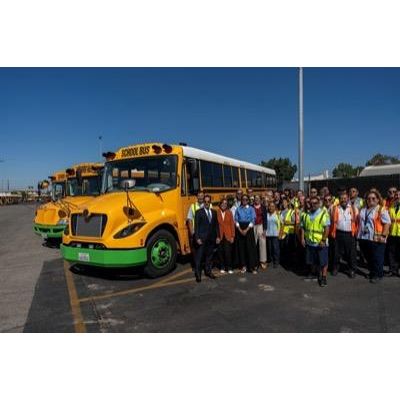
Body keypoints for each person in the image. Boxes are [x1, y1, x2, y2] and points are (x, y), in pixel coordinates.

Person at [357, 189, 391, 283]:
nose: (370, 200)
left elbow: (387, 223)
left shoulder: (381, 209)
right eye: (368, 198)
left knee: (377, 257)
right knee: (368, 257)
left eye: (373, 198)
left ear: (377, 199)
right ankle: (372, 272)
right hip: (364, 237)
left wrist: (383, 235)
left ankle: (378, 274)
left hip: (377, 238)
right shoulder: (363, 209)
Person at [300, 196, 331, 287]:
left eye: (315, 203)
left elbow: (327, 228)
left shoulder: (323, 214)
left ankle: (323, 277)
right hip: (310, 242)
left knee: (323, 261)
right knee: (312, 260)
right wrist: (302, 238)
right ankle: (314, 274)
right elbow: (303, 228)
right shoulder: (306, 214)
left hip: (320, 242)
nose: (313, 205)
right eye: (311, 203)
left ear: (319, 204)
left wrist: (323, 240)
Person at [330, 192, 358, 278]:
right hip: (338, 233)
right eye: (341, 198)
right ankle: (335, 268)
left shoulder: (353, 208)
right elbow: (331, 220)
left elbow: (357, 220)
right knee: (336, 253)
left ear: (348, 199)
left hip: (350, 234)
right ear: (339, 199)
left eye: (345, 198)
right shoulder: (335, 208)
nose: (343, 200)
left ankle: (352, 269)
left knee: (351, 253)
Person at [193, 194, 219, 282]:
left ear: (210, 202)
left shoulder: (214, 212)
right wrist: (197, 238)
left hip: (211, 239)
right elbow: (196, 227)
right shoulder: (198, 212)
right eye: (205, 201)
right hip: (202, 239)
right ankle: (198, 274)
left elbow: (216, 226)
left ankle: (208, 271)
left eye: (208, 201)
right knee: (199, 257)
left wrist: (218, 236)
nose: (207, 203)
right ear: (203, 202)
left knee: (209, 257)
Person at [234, 194, 257, 274]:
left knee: (250, 248)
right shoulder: (238, 209)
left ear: (248, 201)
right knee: (242, 248)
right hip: (240, 228)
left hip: (249, 229)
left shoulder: (251, 209)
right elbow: (236, 220)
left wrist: (246, 230)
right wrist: (240, 230)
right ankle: (243, 266)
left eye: (246, 199)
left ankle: (251, 267)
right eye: (243, 199)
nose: (244, 201)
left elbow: (253, 220)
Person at [216, 198, 235, 274]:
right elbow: (215, 226)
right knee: (220, 252)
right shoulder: (216, 212)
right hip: (219, 235)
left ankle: (229, 267)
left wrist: (232, 236)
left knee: (228, 252)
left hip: (228, 235)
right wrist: (216, 236)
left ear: (227, 205)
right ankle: (222, 267)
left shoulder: (229, 212)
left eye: (225, 203)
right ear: (220, 204)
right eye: (222, 203)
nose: (224, 205)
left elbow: (232, 224)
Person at [279, 197, 296, 269]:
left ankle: (290, 263)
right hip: (282, 232)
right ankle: (285, 262)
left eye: (285, 202)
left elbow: (294, 222)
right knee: (284, 248)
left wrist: (287, 222)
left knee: (289, 249)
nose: (284, 204)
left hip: (289, 233)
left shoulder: (291, 211)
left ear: (288, 203)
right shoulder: (280, 212)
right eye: (283, 203)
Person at [387, 189, 400, 277]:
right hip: (392, 233)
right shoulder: (391, 207)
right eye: (396, 195)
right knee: (391, 253)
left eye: (399, 195)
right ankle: (392, 270)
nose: (397, 196)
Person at [253, 194, 268, 269]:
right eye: (255, 198)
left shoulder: (263, 207)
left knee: (262, 243)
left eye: (258, 198)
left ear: (260, 200)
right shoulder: (251, 207)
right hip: (253, 226)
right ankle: (254, 261)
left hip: (261, 226)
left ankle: (263, 261)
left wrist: (265, 229)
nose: (257, 199)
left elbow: (265, 218)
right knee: (253, 244)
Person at [266, 202, 281, 268]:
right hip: (268, 234)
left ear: (275, 207)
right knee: (270, 249)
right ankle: (271, 261)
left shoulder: (278, 214)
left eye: (272, 206)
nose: (271, 208)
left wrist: (280, 233)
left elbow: (282, 224)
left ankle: (276, 261)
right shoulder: (266, 214)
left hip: (275, 234)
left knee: (275, 249)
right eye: (270, 206)